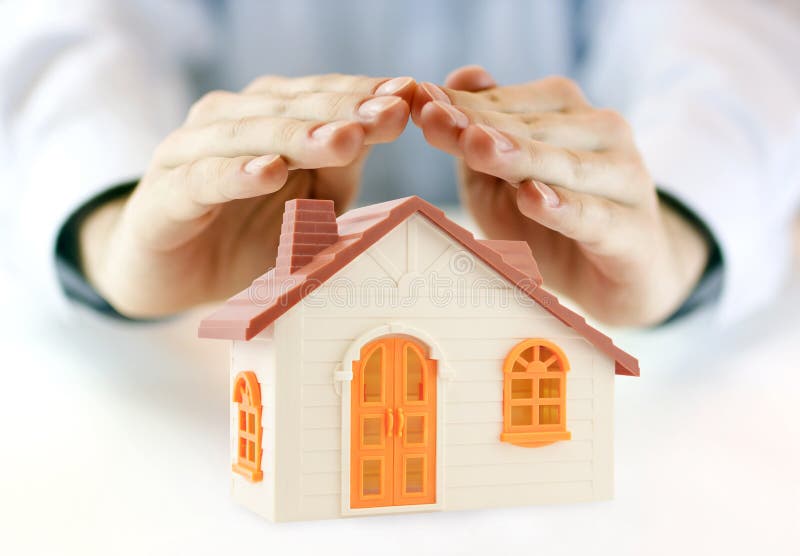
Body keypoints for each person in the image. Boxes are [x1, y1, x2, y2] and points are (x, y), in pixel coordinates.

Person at [1, 0, 798, 328]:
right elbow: (66, 25)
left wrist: (682, 226)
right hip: (204, 311)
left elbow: (730, 27)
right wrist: (104, 223)